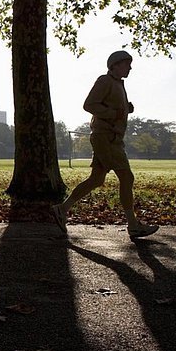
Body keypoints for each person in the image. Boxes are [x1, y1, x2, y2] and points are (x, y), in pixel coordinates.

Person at [52, 50, 159, 240]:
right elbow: (89, 105)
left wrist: (127, 108)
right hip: (106, 138)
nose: (130, 68)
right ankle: (133, 225)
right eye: (127, 64)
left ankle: (62, 209)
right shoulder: (105, 80)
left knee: (96, 180)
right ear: (115, 65)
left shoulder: (118, 84)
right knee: (127, 177)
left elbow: (113, 107)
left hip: (111, 138)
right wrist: (114, 113)